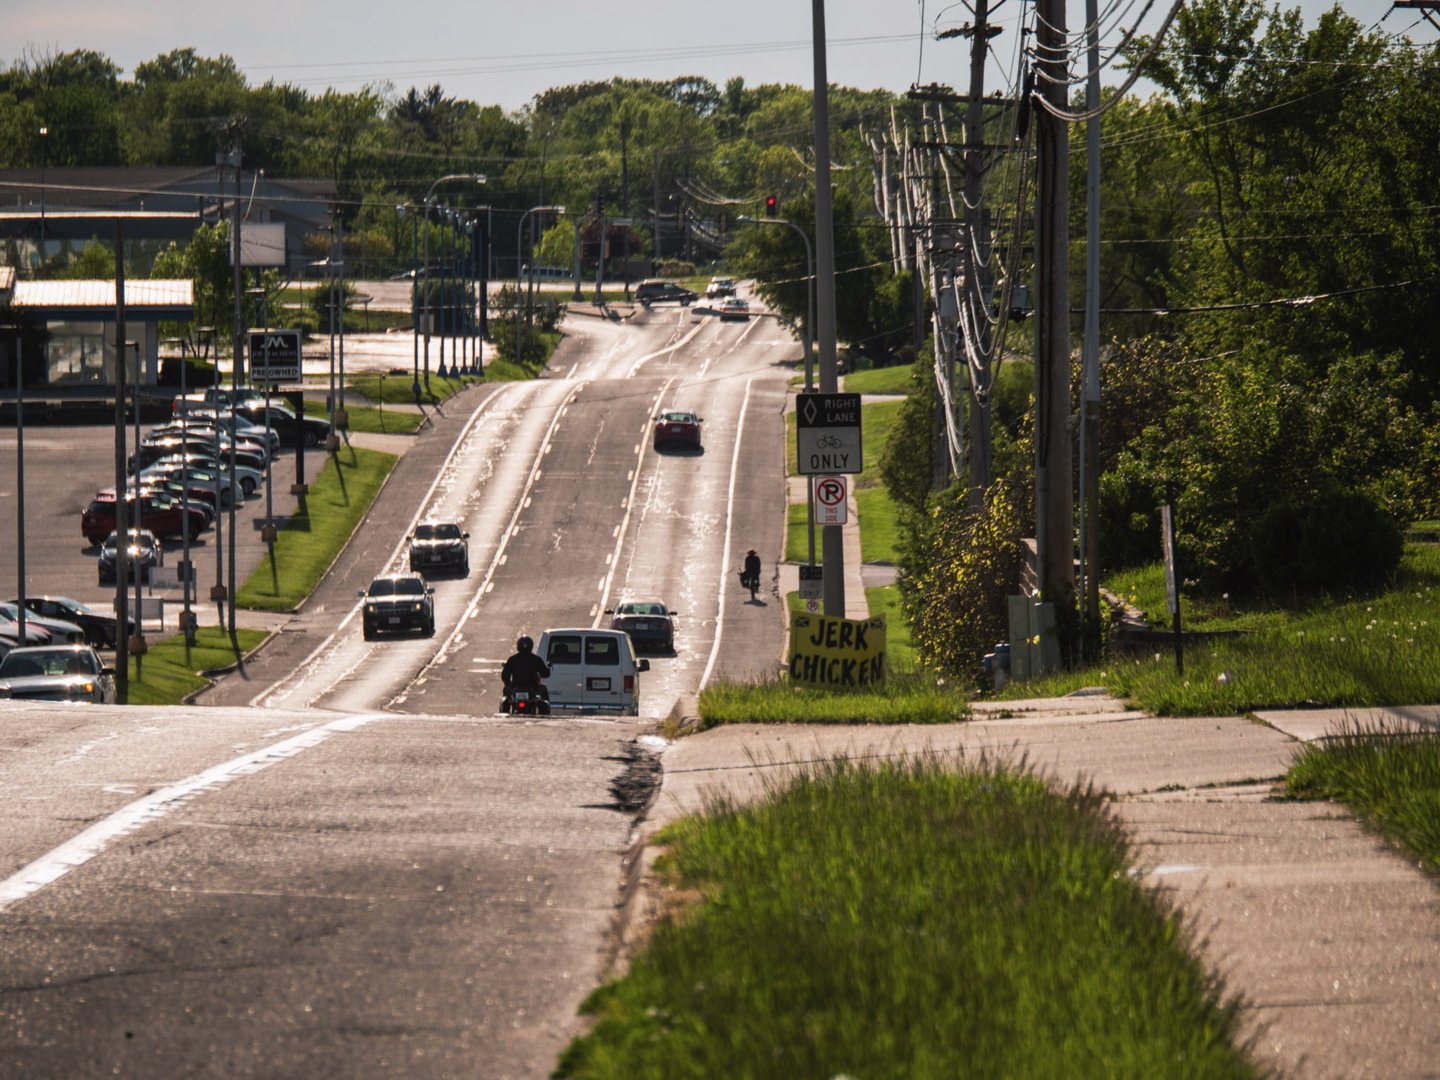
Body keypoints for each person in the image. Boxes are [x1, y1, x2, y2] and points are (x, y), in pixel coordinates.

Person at [501, 634, 550, 709]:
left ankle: (505, 709)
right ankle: (545, 715)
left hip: (516, 687)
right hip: (533, 687)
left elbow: (504, 677)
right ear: (531, 646)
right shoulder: (536, 659)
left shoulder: (512, 659)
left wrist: (508, 684)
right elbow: (545, 674)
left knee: (506, 692)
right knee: (544, 691)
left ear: (518, 646)